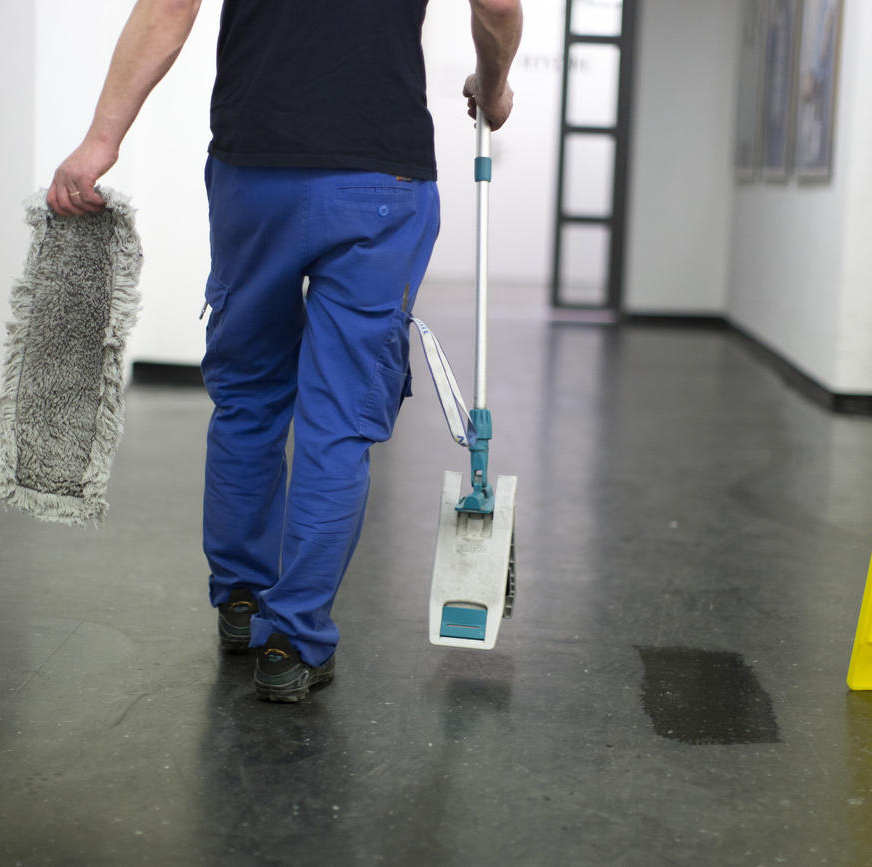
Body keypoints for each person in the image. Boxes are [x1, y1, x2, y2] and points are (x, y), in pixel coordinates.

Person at [47, 0, 523, 702]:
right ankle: (292, 642)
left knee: (248, 395)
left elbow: (171, 7)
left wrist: (101, 139)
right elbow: (499, 5)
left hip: (255, 170)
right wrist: (493, 82)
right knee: (338, 422)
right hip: (380, 182)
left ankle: (240, 599)